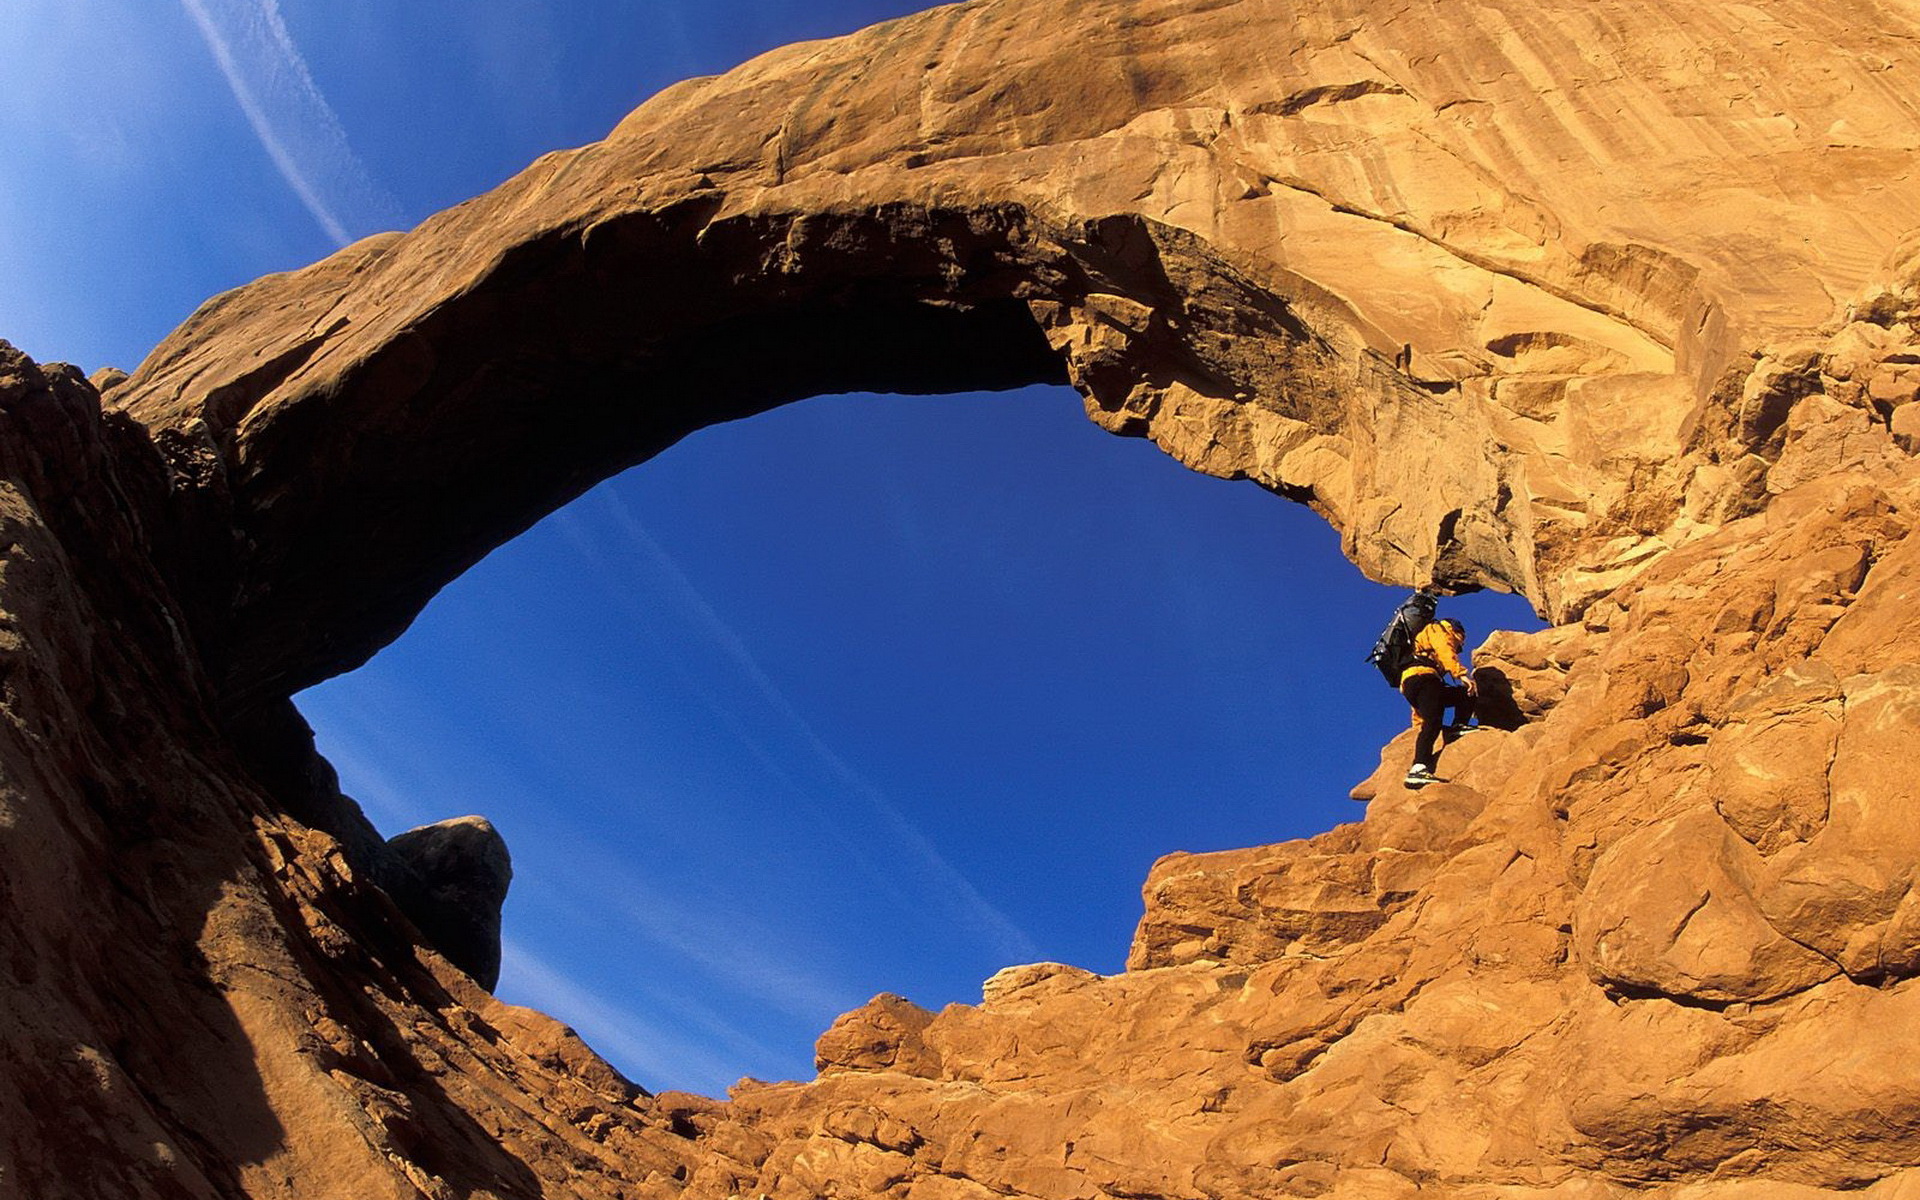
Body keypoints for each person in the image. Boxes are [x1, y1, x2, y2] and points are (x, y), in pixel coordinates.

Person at [1400, 616, 1477, 788]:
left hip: (1415, 683)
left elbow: (1421, 704)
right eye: (1460, 642)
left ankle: (1458, 728)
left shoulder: (1425, 642)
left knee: (1464, 694)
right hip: (1424, 679)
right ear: (1456, 632)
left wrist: (1416, 723)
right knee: (1433, 723)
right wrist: (1461, 674)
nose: (1459, 647)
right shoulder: (1439, 630)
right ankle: (1418, 769)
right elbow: (1445, 650)